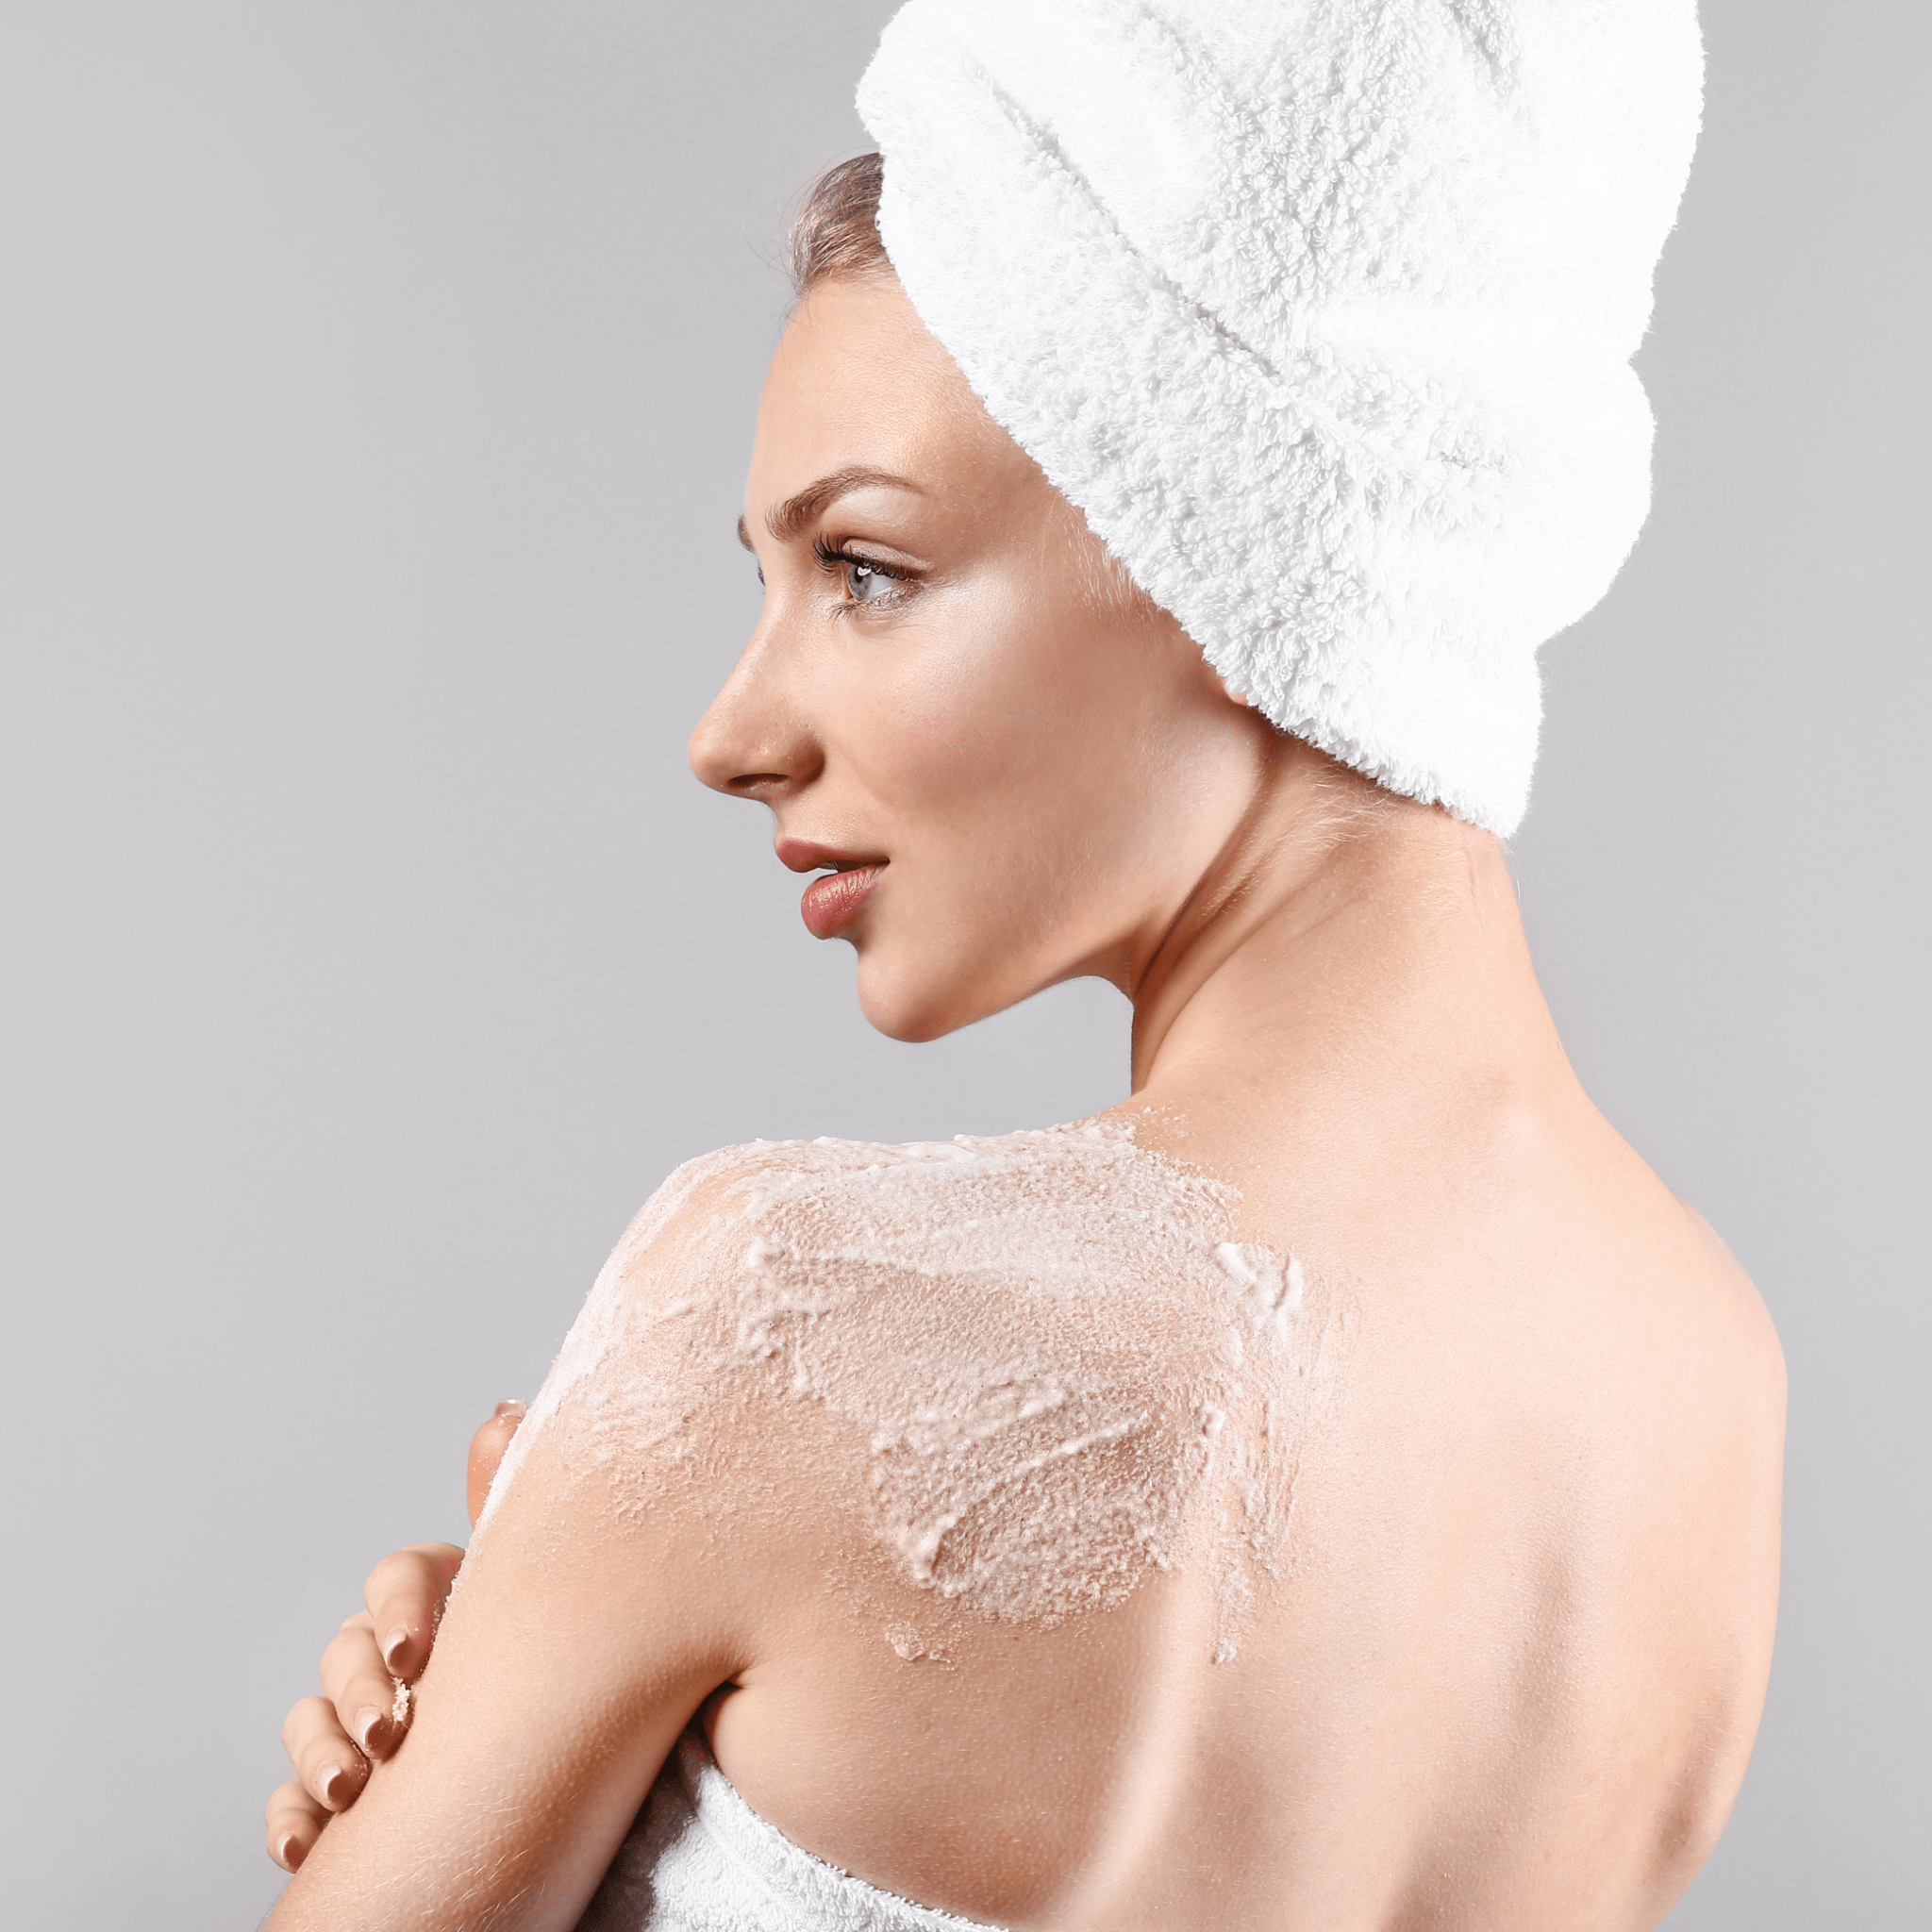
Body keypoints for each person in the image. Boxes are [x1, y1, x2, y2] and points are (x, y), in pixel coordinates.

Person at [261, 5, 1784, 1927]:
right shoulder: (1707, 1384)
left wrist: (443, 1786)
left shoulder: (780, 1314)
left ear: (1233, 545)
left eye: (866, 572)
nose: (731, 732)